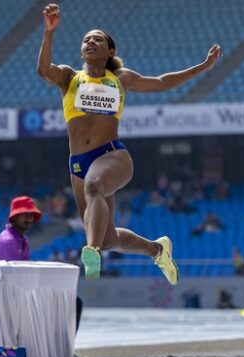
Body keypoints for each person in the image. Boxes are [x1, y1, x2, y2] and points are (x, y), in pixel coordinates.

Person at [37, 3, 221, 283]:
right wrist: (49, 33)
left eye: (97, 39)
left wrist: (203, 66)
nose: (91, 42)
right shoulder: (69, 77)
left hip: (111, 155)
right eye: (87, 39)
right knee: (108, 237)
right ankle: (157, 250)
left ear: (110, 51)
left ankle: (92, 251)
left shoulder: (121, 79)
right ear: (82, 50)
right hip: (78, 164)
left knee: (94, 188)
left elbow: (161, 82)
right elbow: (43, 70)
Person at [0, 196, 90, 357]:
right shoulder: (8, 241)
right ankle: (63, 354)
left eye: (31, 215)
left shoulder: (21, 239)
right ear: (14, 217)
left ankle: (63, 353)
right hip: (12, 299)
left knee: (72, 303)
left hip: (21, 293)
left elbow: (23, 274)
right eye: (25, 215)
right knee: (72, 304)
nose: (30, 219)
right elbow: (13, 278)